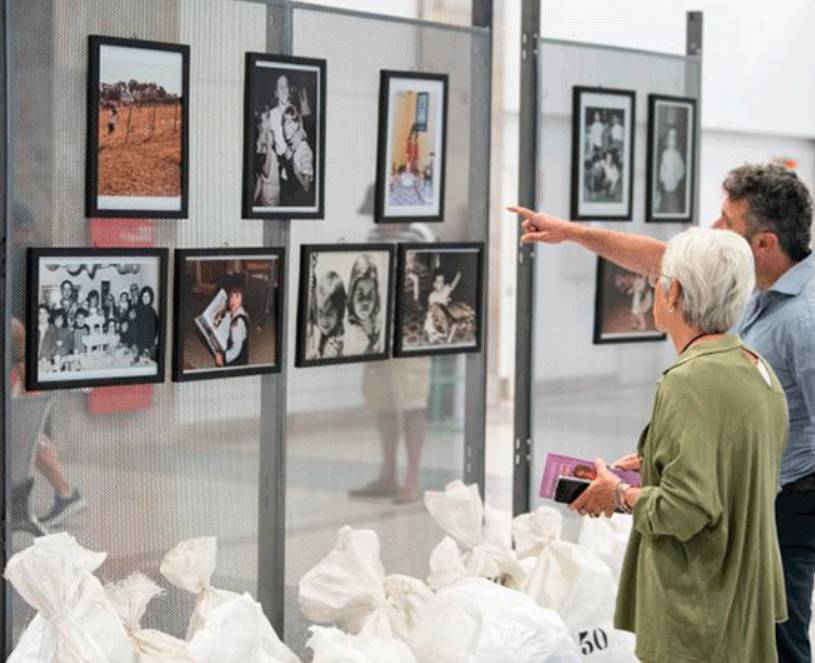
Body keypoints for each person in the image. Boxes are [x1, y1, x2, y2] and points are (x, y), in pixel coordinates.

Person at [511, 162, 815, 663]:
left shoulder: (792, 323)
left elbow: (688, 507)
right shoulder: (748, 297)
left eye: (726, 222)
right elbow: (662, 259)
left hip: (779, 505)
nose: (715, 230)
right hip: (746, 496)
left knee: (778, 640)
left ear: (763, 243)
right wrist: (571, 233)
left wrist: (622, 494)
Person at [582, 228, 786, 661]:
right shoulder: (755, 368)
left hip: (698, 613)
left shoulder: (689, 381)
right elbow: (735, 466)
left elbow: (686, 509)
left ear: (672, 293)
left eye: (658, 281)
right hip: (743, 604)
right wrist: (656, 459)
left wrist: (617, 494)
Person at [344, 255, 382, 356]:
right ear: (352, 295)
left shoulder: (379, 320)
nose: (366, 302)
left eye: (370, 295)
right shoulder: (346, 330)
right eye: (360, 295)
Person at [306, 270, 346, 360]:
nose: (324, 320)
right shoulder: (314, 328)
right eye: (321, 312)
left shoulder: (340, 339)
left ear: (339, 312)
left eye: (329, 313)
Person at [280, 105, 314, 206]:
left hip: (301, 202)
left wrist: (295, 170)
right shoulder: (292, 148)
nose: (286, 126)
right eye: (285, 121)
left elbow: (306, 187)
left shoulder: (303, 150)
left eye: (289, 122)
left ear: (297, 125)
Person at [215, 281, 249, 367]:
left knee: (219, 355)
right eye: (231, 297)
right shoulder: (244, 314)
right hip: (243, 358)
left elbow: (236, 349)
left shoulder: (237, 324)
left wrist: (224, 357)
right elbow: (230, 317)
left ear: (243, 300)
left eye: (237, 296)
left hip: (236, 361)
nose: (232, 300)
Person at [657, 126, 685, 213]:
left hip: (673, 187)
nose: (671, 140)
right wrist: (662, 178)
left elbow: (681, 171)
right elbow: (662, 168)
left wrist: (676, 178)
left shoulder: (677, 155)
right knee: (664, 206)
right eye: (669, 137)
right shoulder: (664, 154)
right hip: (665, 187)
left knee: (672, 207)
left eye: (674, 137)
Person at [135, 286, 158, 361]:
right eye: (144, 296)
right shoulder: (138, 310)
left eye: (148, 296)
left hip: (149, 346)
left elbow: (155, 330)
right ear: (141, 297)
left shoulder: (153, 312)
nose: (146, 298)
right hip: (138, 345)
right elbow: (135, 329)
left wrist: (149, 347)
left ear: (151, 297)